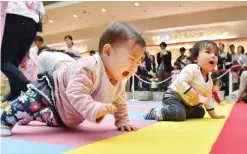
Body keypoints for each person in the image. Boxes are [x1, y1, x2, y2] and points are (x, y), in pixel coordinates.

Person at [0, 21, 146, 136]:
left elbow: (120, 102)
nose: (135, 67)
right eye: (132, 59)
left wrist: (123, 120)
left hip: (66, 117)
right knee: (31, 101)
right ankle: (5, 120)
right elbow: (75, 92)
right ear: (108, 51)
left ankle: (31, 116)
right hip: (53, 89)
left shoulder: (119, 81)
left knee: (45, 116)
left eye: (138, 62)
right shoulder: (90, 66)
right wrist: (95, 108)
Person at [144, 40, 225, 121]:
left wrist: (213, 114)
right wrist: (192, 93)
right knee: (178, 114)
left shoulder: (209, 81)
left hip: (187, 103)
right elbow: (180, 82)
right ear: (196, 58)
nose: (213, 56)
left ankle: (182, 110)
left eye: (216, 54)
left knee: (200, 112)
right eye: (208, 52)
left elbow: (208, 98)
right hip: (174, 97)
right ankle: (156, 111)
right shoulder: (192, 68)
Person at [1, 1, 45, 104]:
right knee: (13, 63)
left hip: (13, 20)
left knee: (3, 61)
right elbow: (41, 10)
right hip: (32, 27)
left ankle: (30, 88)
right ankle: (15, 93)